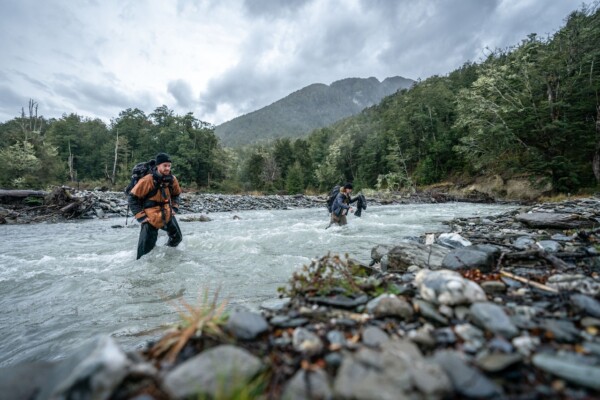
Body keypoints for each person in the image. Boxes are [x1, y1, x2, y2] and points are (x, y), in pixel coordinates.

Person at [128, 152, 183, 259]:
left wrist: (175, 207)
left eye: (169, 165)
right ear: (158, 166)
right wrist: (141, 217)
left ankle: (166, 255)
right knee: (144, 253)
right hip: (150, 219)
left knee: (177, 238)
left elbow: (176, 194)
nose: (167, 168)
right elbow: (132, 198)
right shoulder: (147, 180)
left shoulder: (172, 179)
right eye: (165, 165)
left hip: (167, 215)